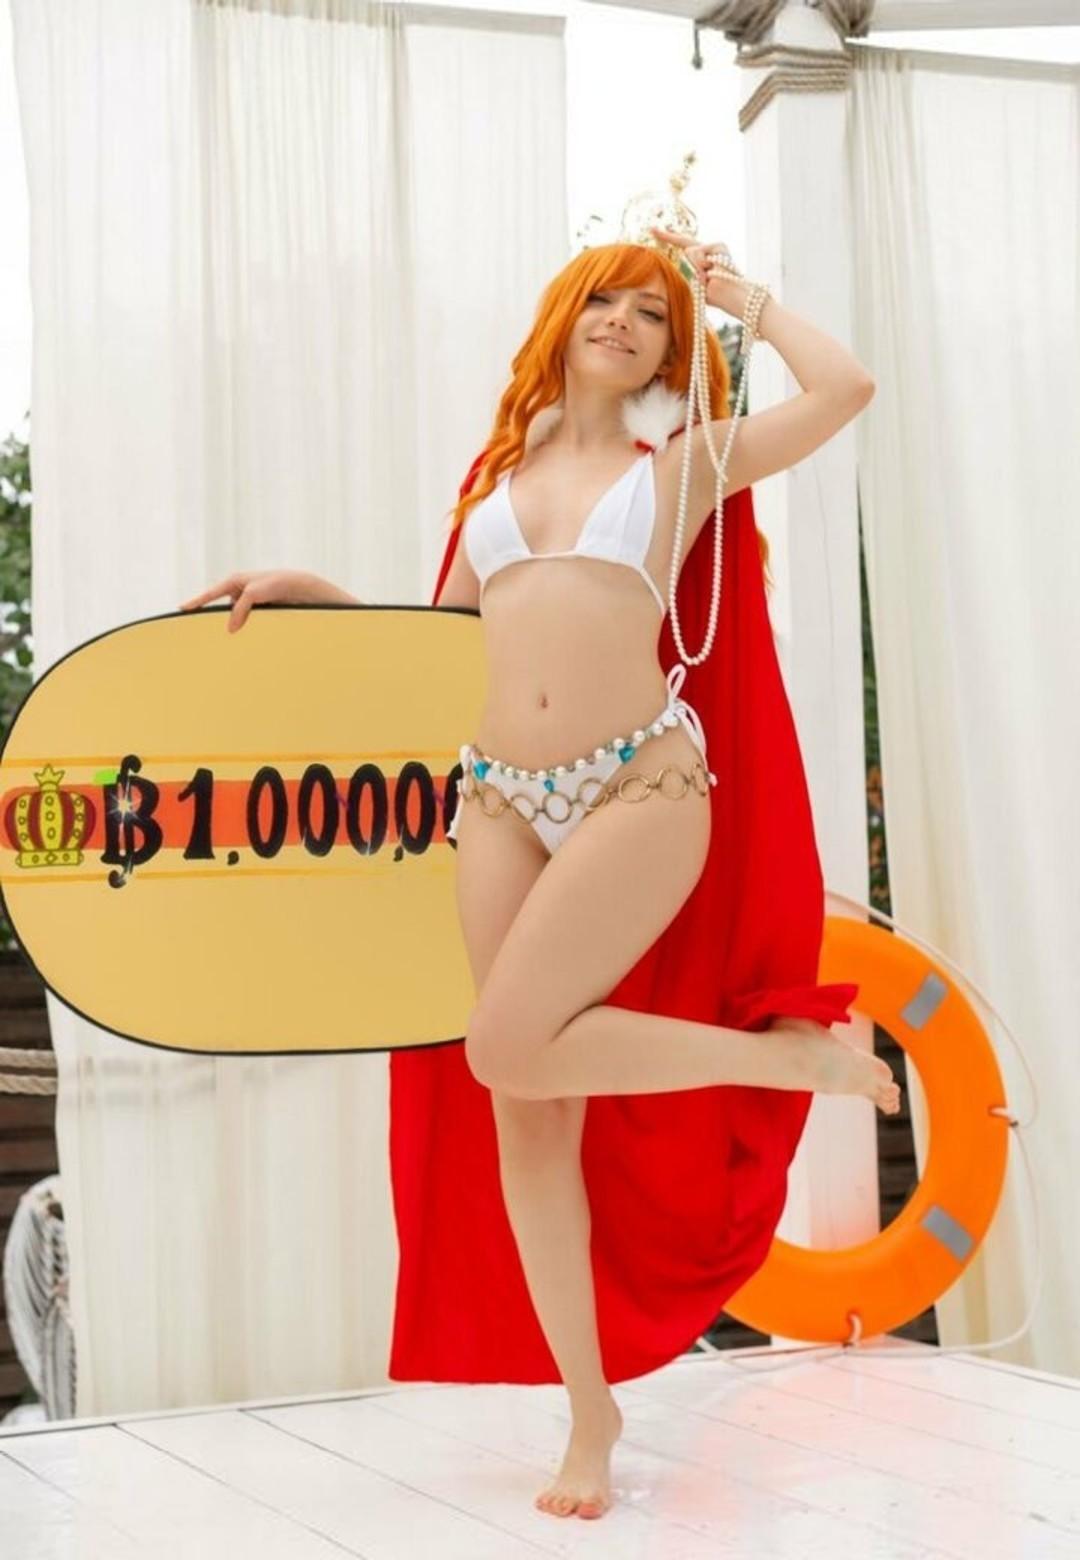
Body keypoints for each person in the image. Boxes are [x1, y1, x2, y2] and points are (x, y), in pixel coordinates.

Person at [181, 228, 899, 1522]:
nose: (624, 321)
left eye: (651, 314)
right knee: (524, 1101)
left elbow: (846, 389)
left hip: (641, 786)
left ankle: (782, 1061)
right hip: (503, 797)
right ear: (564, 319)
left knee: (503, 1045)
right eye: (603, 301)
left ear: (671, 353)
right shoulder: (497, 477)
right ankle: (590, 1411)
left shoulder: (684, 463)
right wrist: (312, 593)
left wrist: (742, 300)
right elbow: (447, 644)